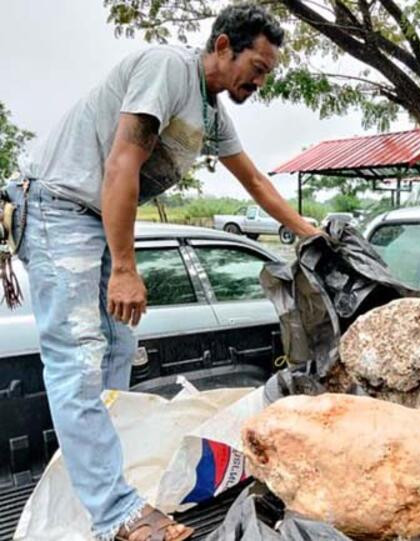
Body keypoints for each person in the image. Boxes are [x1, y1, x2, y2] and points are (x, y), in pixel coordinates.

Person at [5, 3, 317, 540]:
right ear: (223, 46)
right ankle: (115, 514)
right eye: (258, 68)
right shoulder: (168, 68)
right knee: (79, 361)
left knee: (117, 351)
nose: (260, 82)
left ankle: (100, 486)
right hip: (61, 209)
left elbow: (258, 185)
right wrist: (125, 267)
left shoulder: (213, 113)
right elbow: (122, 162)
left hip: (96, 218)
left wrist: (312, 234)